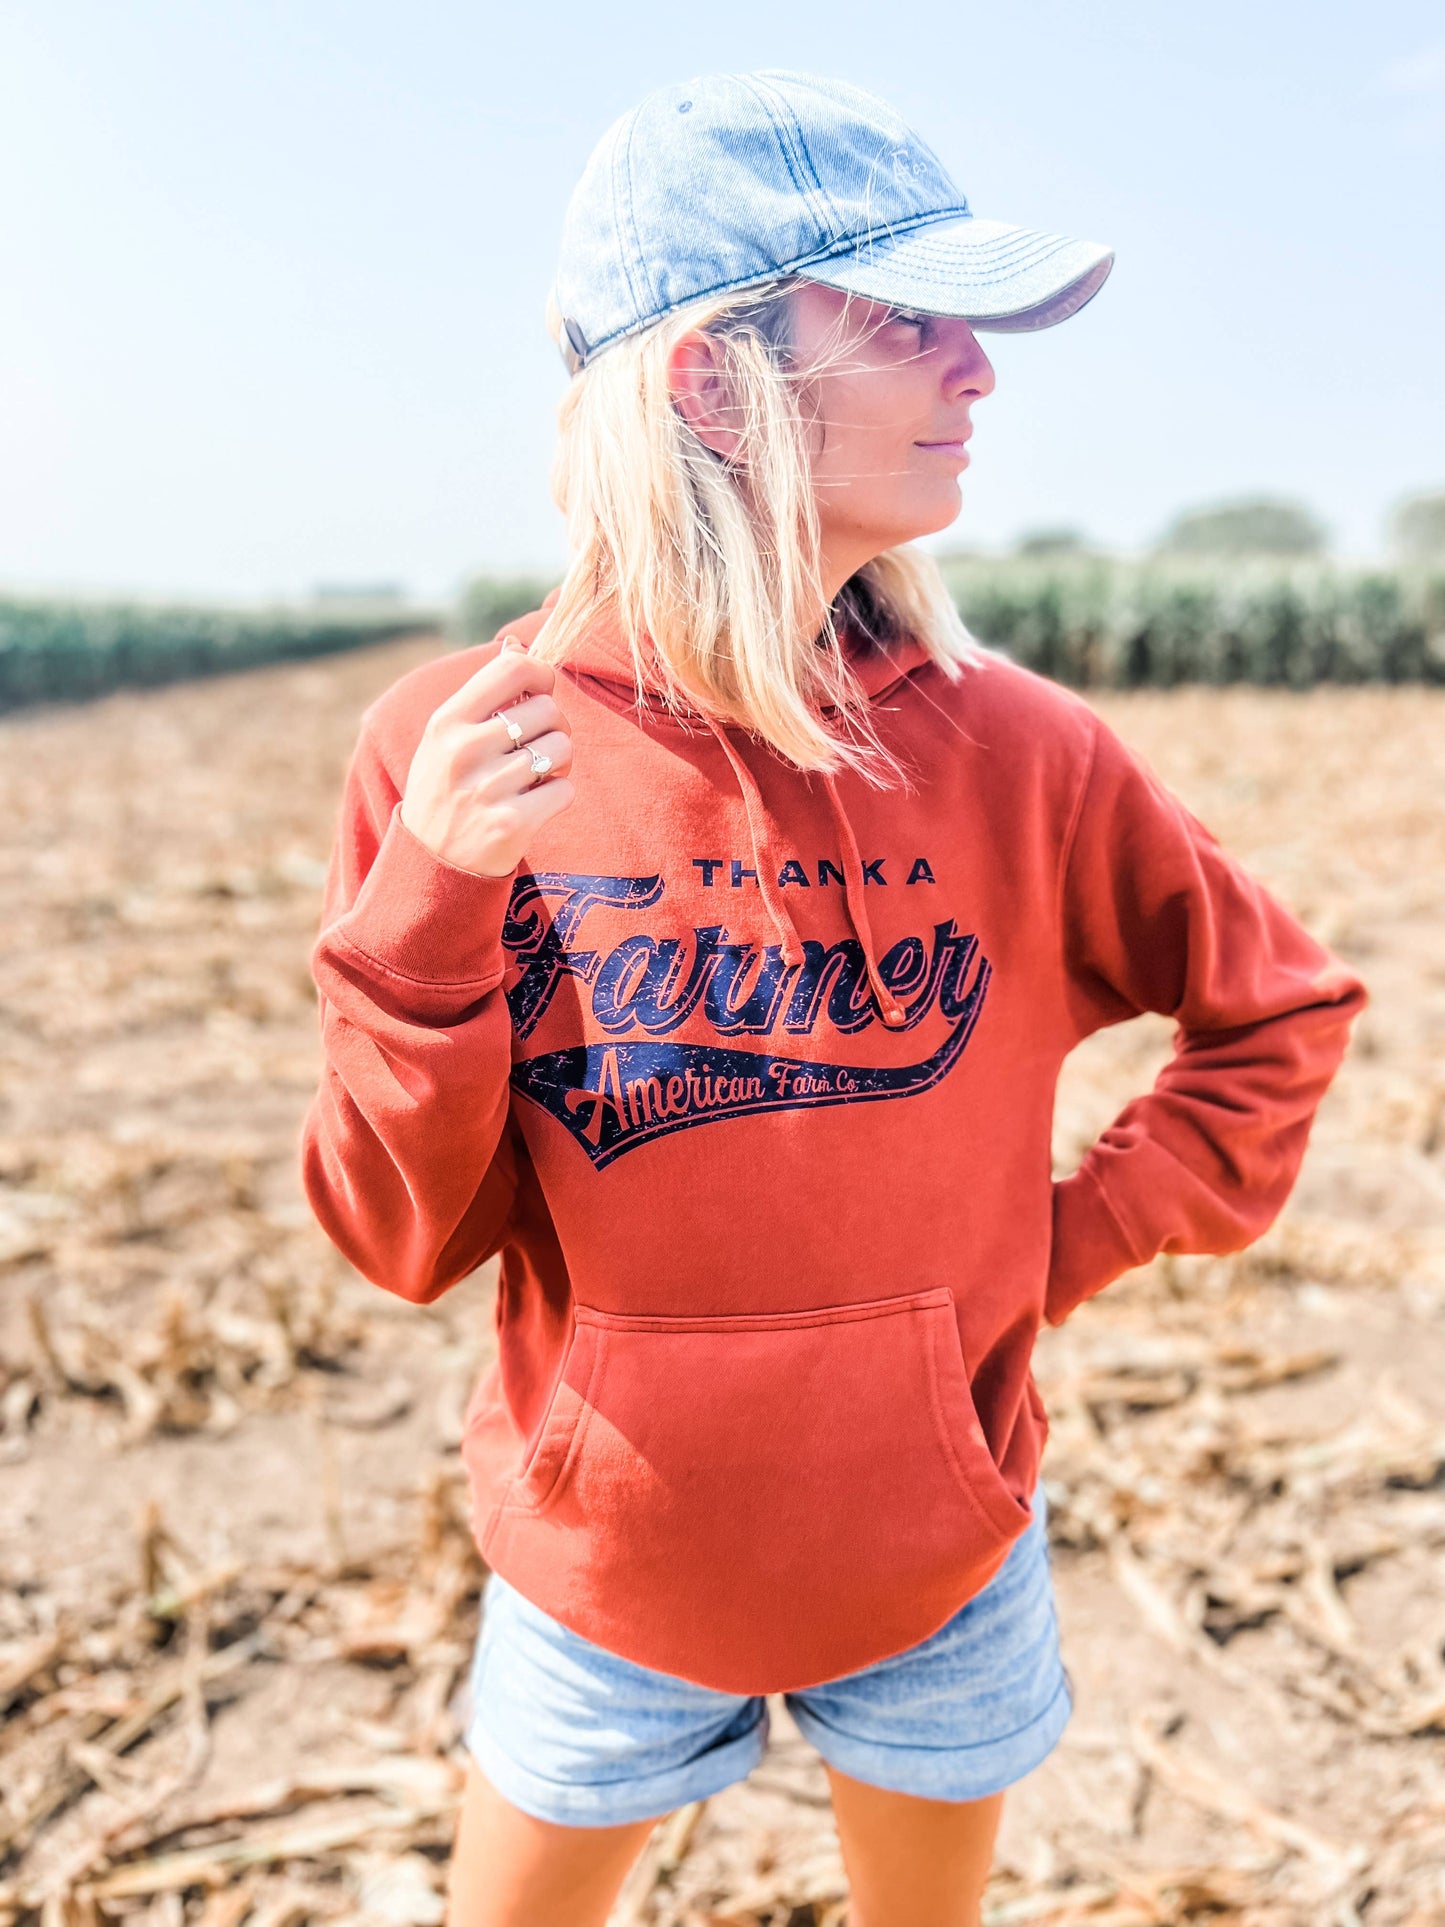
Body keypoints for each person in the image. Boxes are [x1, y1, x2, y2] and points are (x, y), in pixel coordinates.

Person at [298, 70, 1368, 1927]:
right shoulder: (460, 750)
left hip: (944, 1556)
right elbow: (401, 1241)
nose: (980, 372)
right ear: (712, 386)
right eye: (908, 320)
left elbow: (1277, 1010)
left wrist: (1059, 1246)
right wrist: (430, 908)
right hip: (602, 1574)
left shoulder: (1021, 749)